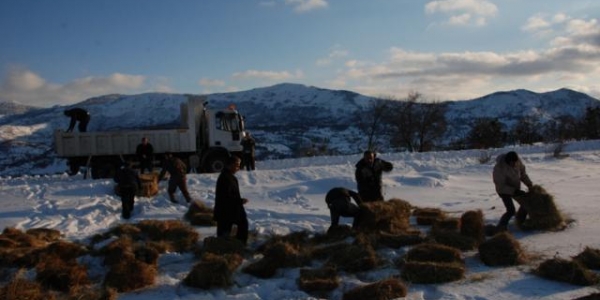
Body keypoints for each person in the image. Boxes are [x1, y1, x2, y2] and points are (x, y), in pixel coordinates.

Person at [493, 151, 534, 231]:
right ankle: (501, 226)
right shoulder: (499, 168)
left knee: (526, 203)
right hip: (503, 191)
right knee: (511, 210)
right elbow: (500, 186)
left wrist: (530, 185)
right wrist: (514, 191)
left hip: (515, 188)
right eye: (512, 163)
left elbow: (523, 174)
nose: (514, 165)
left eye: (515, 162)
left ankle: (520, 222)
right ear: (508, 161)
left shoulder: (517, 161)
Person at [213, 156, 249, 245]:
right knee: (225, 231)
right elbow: (226, 196)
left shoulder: (228, 176)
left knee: (241, 225)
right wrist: (240, 201)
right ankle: (228, 247)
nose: (238, 168)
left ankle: (236, 245)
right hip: (226, 210)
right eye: (237, 166)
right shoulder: (225, 178)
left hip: (230, 209)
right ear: (231, 165)